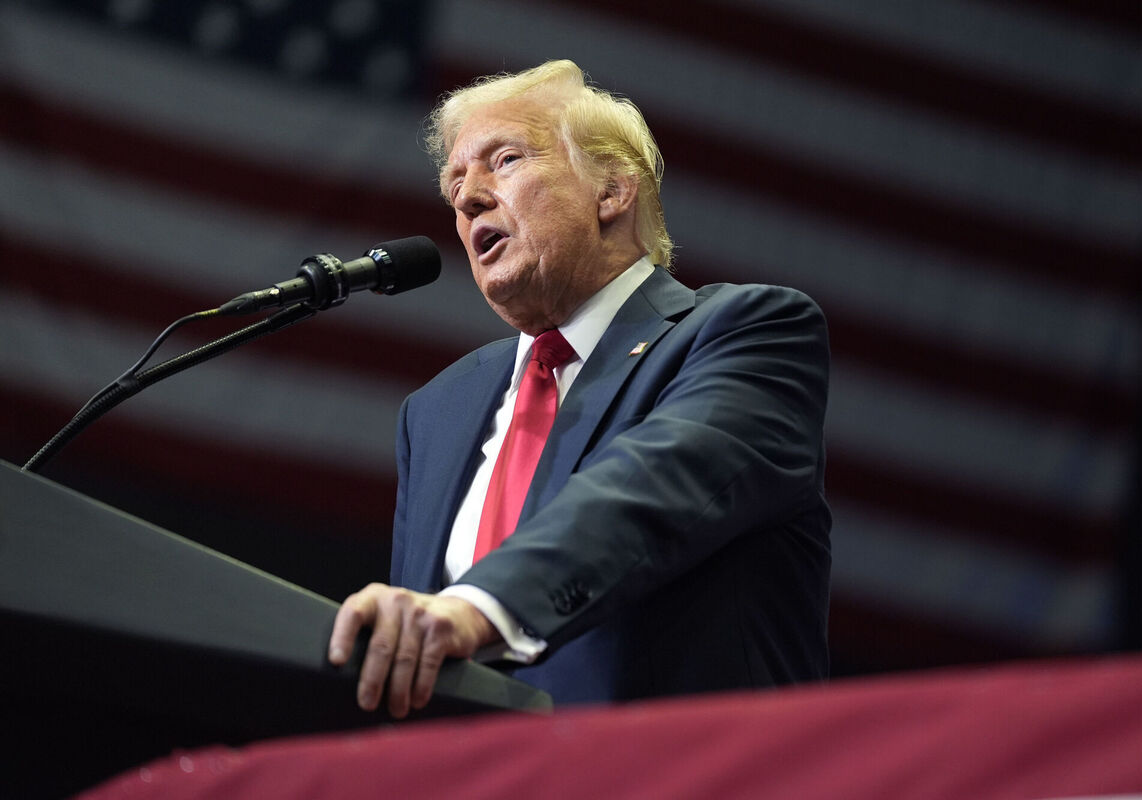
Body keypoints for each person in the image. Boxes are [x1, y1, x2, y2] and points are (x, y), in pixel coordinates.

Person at [328, 59, 831, 715]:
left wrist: (477, 608)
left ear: (612, 192)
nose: (467, 197)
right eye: (455, 183)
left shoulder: (745, 333)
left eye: (502, 161)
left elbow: (648, 490)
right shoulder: (436, 413)